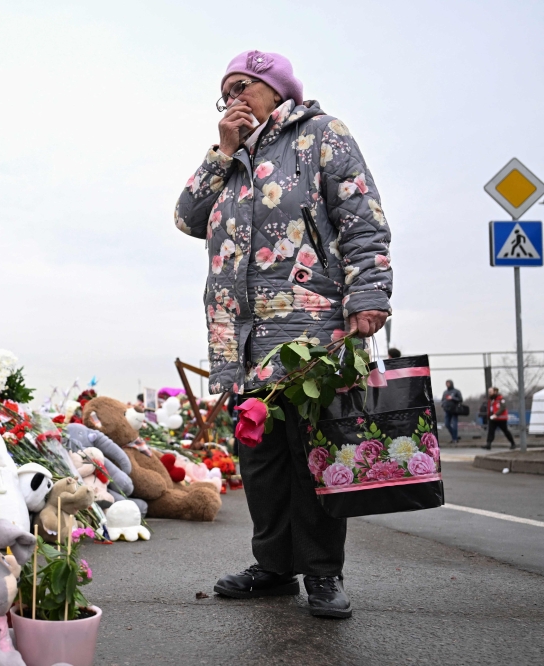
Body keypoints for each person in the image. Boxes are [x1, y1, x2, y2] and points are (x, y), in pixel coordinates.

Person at [174, 50, 392, 619]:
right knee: (261, 458)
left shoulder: (321, 134)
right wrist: (222, 153)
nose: (234, 99)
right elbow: (186, 217)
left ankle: (322, 573)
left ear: (277, 89)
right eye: (226, 92)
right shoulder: (230, 159)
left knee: (312, 450)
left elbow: (361, 217)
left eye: (244, 86)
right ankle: (273, 568)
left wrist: (367, 296)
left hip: (308, 325)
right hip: (240, 335)